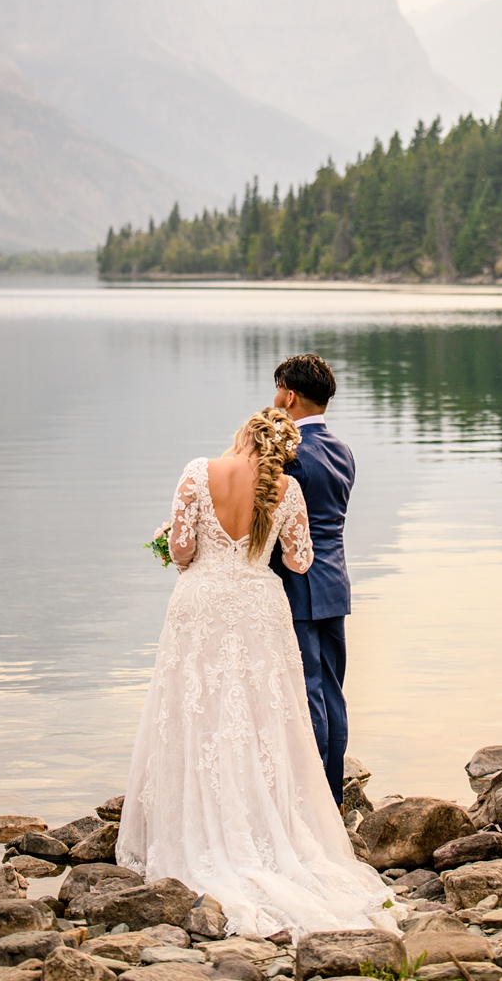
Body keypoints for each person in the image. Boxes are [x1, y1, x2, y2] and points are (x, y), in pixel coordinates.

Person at [115, 406, 393, 940]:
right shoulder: (288, 489)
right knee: (262, 718)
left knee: (198, 712)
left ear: (243, 435)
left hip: (200, 605)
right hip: (259, 609)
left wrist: (190, 546)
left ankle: (194, 824)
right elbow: (301, 562)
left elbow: (180, 550)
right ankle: (267, 826)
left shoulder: (199, 471)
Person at [269, 355, 353, 808]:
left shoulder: (289, 454)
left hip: (297, 583)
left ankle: (315, 800)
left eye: (277, 390)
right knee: (332, 691)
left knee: (309, 691)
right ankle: (333, 793)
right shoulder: (342, 450)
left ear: (290, 395)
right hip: (334, 582)